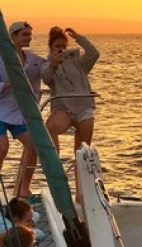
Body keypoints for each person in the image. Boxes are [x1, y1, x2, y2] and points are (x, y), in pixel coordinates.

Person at [0, 21, 46, 203]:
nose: (29, 38)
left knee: (33, 145)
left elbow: (48, 70)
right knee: (2, 148)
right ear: (13, 37)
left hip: (19, 115)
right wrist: (7, 86)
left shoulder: (33, 61)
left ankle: (22, 186)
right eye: (24, 34)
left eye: (30, 34)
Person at [42, 27, 100, 155]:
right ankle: (55, 165)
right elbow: (46, 78)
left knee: (82, 150)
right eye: (57, 46)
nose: (61, 48)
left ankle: (80, 174)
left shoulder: (79, 62)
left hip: (83, 108)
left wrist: (78, 37)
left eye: (63, 45)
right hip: (63, 109)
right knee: (49, 128)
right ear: (50, 47)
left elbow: (94, 54)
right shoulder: (47, 65)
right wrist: (54, 64)